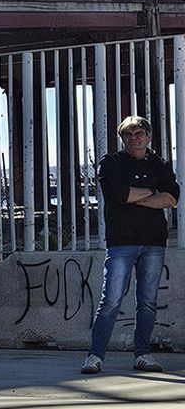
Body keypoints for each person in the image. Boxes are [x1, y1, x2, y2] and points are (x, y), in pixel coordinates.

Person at [82, 116, 179, 374]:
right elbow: (117, 194)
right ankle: (94, 356)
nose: (135, 138)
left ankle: (142, 354)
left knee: (147, 302)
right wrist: (151, 192)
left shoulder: (160, 164)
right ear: (122, 138)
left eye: (140, 133)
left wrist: (135, 196)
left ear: (148, 137)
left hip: (154, 242)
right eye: (129, 134)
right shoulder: (111, 163)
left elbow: (170, 198)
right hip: (122, 242)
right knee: (111, 300)